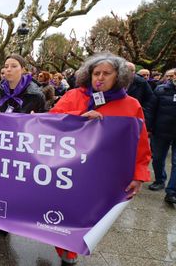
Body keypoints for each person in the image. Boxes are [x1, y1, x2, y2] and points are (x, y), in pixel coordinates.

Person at [50, 53, 151, 264]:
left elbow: (140, 144)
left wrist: (139, 175)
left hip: (105, 175)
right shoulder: (73, 96)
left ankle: (74, 245)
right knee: (66, 211)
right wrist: (78, 117)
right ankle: (68, 249)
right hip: (70, 169)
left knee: (90, 215)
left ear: (119, 76)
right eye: (96, 73)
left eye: (107, 73)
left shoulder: (131, 105)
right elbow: (51, 120)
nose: (100, 78)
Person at [0, 54, 45, 249]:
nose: (8, 69)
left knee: (11, 192)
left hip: (20, 153)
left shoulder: (36, 96)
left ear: (23, 69)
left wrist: (37, 121)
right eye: (6, 66)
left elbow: (45, 128)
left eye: (14, 66)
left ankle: (5, 225)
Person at [146, 74, 176, 203]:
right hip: (160, 131)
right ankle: (159, 180)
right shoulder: (161, 89)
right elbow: (150, 109)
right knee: (157, 158)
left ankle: (172, 191)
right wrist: (148, 127)